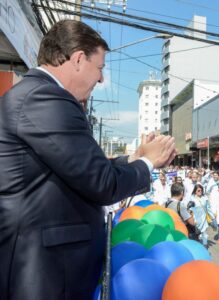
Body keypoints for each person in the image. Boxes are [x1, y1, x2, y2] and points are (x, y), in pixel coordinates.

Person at [0, 20, 177, 300]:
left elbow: (84, 167)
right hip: (43, 273)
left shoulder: (40, 97)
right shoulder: (45, 98)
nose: (101, 79)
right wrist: (148, 164)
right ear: (79, 59)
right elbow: (101, 183)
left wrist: (136, 157)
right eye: (100, 68)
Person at [189, 184, 215, 248]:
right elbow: (190, 210)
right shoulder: (192, 198)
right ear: (195, 191)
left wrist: (213, 217)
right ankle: (196, 247)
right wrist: (192, 220)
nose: (200, 191)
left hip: (204, 218)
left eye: (201, 190)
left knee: (204, 233)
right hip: (196, 219)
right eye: (198, 190)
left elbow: (208, 208)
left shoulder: (205, 198)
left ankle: (205, 246)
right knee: (196, 234)